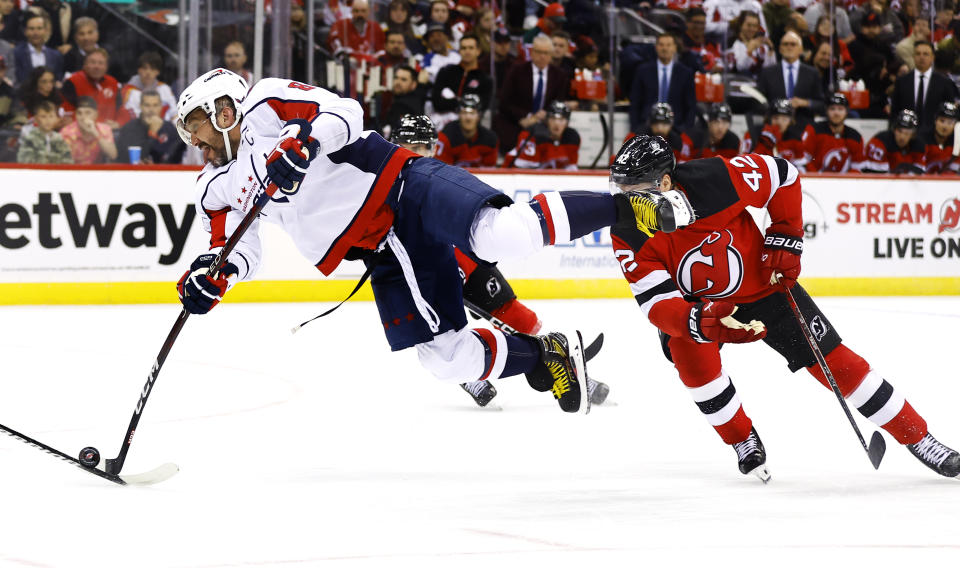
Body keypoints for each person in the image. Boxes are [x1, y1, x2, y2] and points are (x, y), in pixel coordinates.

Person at [172, 68, 690, 415]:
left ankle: (628, 206)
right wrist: (213, 276)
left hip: (401, 185)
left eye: (193, 123)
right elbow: (235, 249)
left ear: (221, 108)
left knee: (497, 236)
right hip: (379, 247)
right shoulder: (214, 187)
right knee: (445, 358)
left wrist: (302, 143)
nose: (191, 139)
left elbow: (344, 113)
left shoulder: (264, 103)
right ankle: (545, 354)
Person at [607, 133, 960, 481]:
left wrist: (786, 231)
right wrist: (693, 320)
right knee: (695, 369)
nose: (626, 198)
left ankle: (920, 438)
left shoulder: (716, 178)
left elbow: (783, 175)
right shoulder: (626, 227)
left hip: (765, 289)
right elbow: (655, 301)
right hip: (696, 307)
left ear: (665, 181)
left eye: (634, 189)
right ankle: (741, 438)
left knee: (838, 364)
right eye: (622, 189)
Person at [390, 112, 609, 407]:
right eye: (407, 145)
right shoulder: (384, 186)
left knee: (516, 316)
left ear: (432, 148)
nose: (415, 153)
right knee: (435, 334)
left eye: (421, 147)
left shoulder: (440, 177)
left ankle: (559, 360)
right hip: (420, 273)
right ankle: (470, 377)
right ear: (394, 145)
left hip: (466, 262)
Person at [494, 34, 569, 155]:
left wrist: (544, 115)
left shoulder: (559, 75)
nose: (542, 56)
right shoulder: (517, 70)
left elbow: (558, 102)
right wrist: (526, 116)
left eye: (546, 53)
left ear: (551, 55)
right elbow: (504, 101)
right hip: (518, 120)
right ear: (532, 52)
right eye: (539, 52)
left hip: (545, 121)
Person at [629, 32, 697, 133]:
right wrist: (636, 129)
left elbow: (691, 106)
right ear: (656, 47)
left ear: (675, 48)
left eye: (668, 45)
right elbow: (635, 103)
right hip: (647, 127)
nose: (665, 48)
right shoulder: (642, 71)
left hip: (676, 129)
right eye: (661, 45)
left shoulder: (686, 73)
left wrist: (685, 131)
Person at [756, 30, 825, 127]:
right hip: (775, 127)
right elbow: (758, 103)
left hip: (803, 127)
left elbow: (821, 105)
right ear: (780, 49)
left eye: (793, 44)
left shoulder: (812, 73)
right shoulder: (767, 73)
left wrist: (805, 103)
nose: (789, 47)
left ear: (801, 50)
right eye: (785, 44)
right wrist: (777, 106)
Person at [890, 40, 959, 134]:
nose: (921, 57)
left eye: (925, 54)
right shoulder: (902, 82)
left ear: (932, 57)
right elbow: (895, 111)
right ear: (913, 57)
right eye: (918, 54)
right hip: (906, 134)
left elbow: (950, 112)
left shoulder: (944, 83)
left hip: (934, 136)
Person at [430, 32, 491, 128]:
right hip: (443, 124)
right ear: (459, 51)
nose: (467, 51)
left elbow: (482, 105)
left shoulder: (484, 78)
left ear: (478, 51)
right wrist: (461, 102)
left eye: (471, 48)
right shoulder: (446, 71)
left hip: (470, 125)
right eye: (463, 48)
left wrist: (454, 102)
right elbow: (436, 102)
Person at [503, 100, 580, 169]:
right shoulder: (533, 135)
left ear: (567, 123)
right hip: (512, 177)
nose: (556, 123)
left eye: (561, 119)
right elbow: (526, 172)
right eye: (553, 118)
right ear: (546, 120)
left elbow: (571, 169)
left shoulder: (572, 138)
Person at [116, 89, 185, 164]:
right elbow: (129, 158)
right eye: (147, 105)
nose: (151, 110)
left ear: (161, 106)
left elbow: (175, 158)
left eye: (155, 105)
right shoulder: (130, 128)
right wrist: (152, 133)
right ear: (140, 106)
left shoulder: (169, 129)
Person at [743, 98, 814, 171]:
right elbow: (747, 163)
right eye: (775, 118)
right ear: (768, 119)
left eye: (784, 119)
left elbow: (802, 168)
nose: (779, 123)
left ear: (791, 121)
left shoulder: (796, 139)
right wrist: (767, 141)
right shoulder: (754, 134)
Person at [61, 48, 123, 128]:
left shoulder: (113, 83)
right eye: (93, 62)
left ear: (106, 67)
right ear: (84, 65)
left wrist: (118, 123)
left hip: (109, 131)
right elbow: (67, 114)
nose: (97, 66)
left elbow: (121, 110)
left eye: (101, 63)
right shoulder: (73, 82)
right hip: (80, 130)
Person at [807, 93, 865, 173]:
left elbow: (857, 168)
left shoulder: (855, 137)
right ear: (826, 111)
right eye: (832, 109)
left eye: (840, 109)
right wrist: (817, 179)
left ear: (847, 111)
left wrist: (844, 183)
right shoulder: (813, 130)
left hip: (845, 184)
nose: (836, 113)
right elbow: (805, 161)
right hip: (816, 182)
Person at [436, 94, 499, 167]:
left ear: (479, 116)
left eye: (472, 113)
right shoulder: (446, 137)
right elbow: (442, 172)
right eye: (464, 112)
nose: (468, 118)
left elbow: (490, 172)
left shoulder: (490, 140)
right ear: (459, 115)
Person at [120, 51, 178, 123]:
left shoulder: (164, 89)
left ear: (158, 72)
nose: (148, 72)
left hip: (164, 130)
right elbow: (131, 118)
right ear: (139, 70)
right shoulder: (130, 91)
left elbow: (174, 114)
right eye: (145, 68)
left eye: (152, 69)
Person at [862, 109, 926, 174]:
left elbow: (921, 176)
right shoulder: (880, 142)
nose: (902, 137)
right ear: (894, 130)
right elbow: (874, 177)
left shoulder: (919, 146)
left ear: (913, 134)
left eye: (906, 133)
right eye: (899, 131)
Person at [59, 96, 117, 164]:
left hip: (97, 172)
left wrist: (95, 132)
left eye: (88, 113)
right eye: (79, 113)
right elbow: (63, 162)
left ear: (96, 115)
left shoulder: (105, 129)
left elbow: (113, 155)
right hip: (74, 171)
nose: (83, 117)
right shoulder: (66, 132)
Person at [13, 12, 63, 86]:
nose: (35, 33)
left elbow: (58, 79)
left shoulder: (56, 56)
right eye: (31, 29)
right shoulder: (16, 54)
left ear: (45, 31)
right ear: (25, 32)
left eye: (39, 28)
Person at [377, 63, 428, 135]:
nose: (398, 82)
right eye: (396, 78)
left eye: (403, 80)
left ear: (413, 84)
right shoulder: (391, 98)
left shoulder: (405, 105)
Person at [726, 11, 775, 78]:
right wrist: (749, 52)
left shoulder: (760, 46)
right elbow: (735, 68)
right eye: (749, 25)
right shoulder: (731, 43)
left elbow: (770, 68)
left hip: (758, 84)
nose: (752, 29)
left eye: (755, 26)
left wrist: (771, 49)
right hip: (738, 82)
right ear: (741, 25)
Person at [921, 101, 959, 175]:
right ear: (935, 120)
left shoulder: (957, 144)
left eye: (950, 122)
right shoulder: (921, 141)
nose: (945, 126)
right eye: (942, 121)